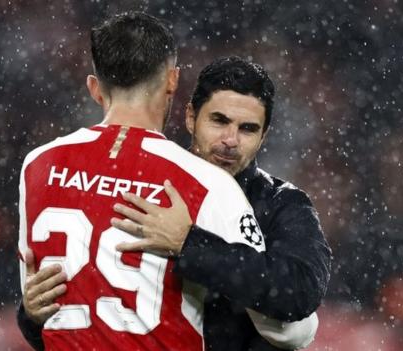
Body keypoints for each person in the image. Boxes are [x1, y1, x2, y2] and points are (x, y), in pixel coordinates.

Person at [17, 12, 315, 350]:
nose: (230, 140)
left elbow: (44, 307)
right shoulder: (203, 184)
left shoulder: (39, 164)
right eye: (220, 121)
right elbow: (293, 330)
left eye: (246, 128)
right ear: (173, 81)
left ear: (94, 88)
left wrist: (29, 315)